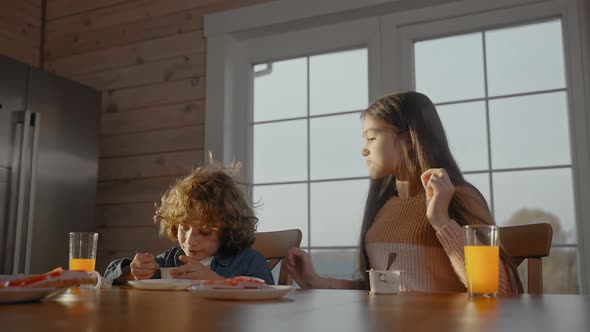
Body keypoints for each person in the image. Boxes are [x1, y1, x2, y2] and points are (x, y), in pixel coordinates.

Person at [285, 91, 522, 294]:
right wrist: (316, 282)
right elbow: (381, 292)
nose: (363, 150)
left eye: (371, 138)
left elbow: (500, 289)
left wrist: (441, 221)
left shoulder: (458, 198)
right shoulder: (384, 208)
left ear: (409, 140)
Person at [104, 162, 274, 285]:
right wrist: (132, 271)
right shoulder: (173, 259)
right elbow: (108, 276)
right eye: (184, 228)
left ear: (227, 229)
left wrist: (217, 283)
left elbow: (267, 302)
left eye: (205, 231)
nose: (190, 241)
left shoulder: (249, 261)